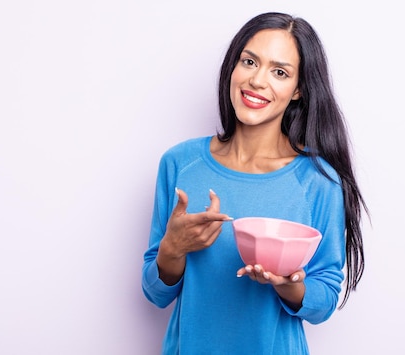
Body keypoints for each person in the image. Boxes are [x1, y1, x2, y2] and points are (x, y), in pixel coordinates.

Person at [142, 11, 367, 354]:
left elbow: (323, 301)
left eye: (279, 72)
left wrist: (287, 285)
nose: (258, 80)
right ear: (233, 67)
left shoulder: (318, 181)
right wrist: (172, 249)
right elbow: (156, 293)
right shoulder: (180, 163)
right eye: (249, 62)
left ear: (298, 90)